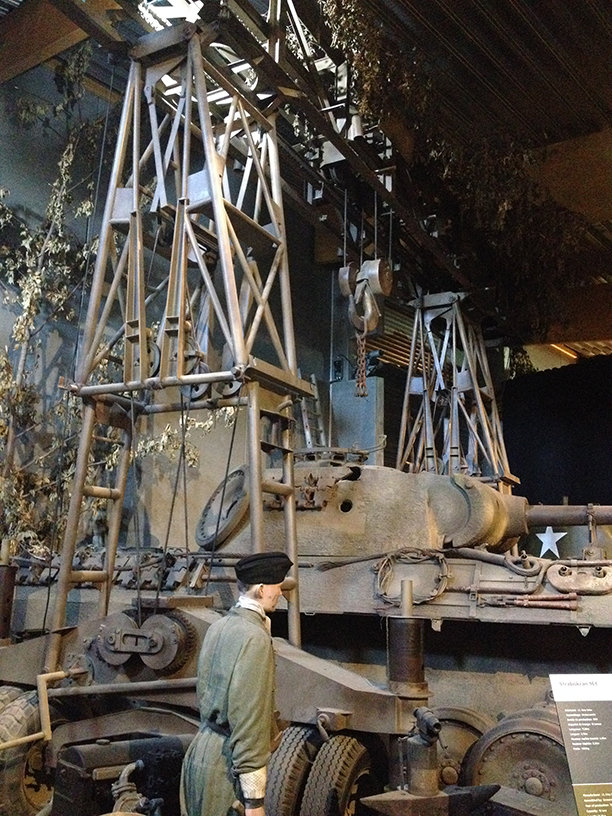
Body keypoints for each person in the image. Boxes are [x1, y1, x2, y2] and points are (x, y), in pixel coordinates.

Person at [180, 550, 293, 816]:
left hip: (201, 752)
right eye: (277, 586)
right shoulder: (254, 638)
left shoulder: (219, 627)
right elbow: (248, 719)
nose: (280, 592)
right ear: (262, 589)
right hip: (225, 766)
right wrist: (254, 801)